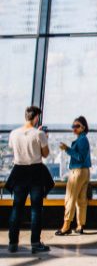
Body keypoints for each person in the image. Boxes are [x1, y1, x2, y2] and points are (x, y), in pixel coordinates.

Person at [5, 106, 53, 254]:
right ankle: (35, 243)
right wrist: (43, 137)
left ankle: (13, 243)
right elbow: (45, 154)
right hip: (35, 173)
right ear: (36, 117)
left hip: (19, 172)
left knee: (16, 208)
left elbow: (13, 150)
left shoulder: (14, 133)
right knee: (36, 209)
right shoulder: (39, 134)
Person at [55, 116, 92, 236]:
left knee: (70, 198)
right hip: (85, 172)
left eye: (77, 126)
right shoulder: (83, 139)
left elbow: (80, 157)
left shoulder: (82, 140)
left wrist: (67, 149)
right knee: (81, 200)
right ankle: (80, 225)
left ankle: (66, 226)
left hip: (77, 172)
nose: (74, 128)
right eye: (73, 126)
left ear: (83, 127)